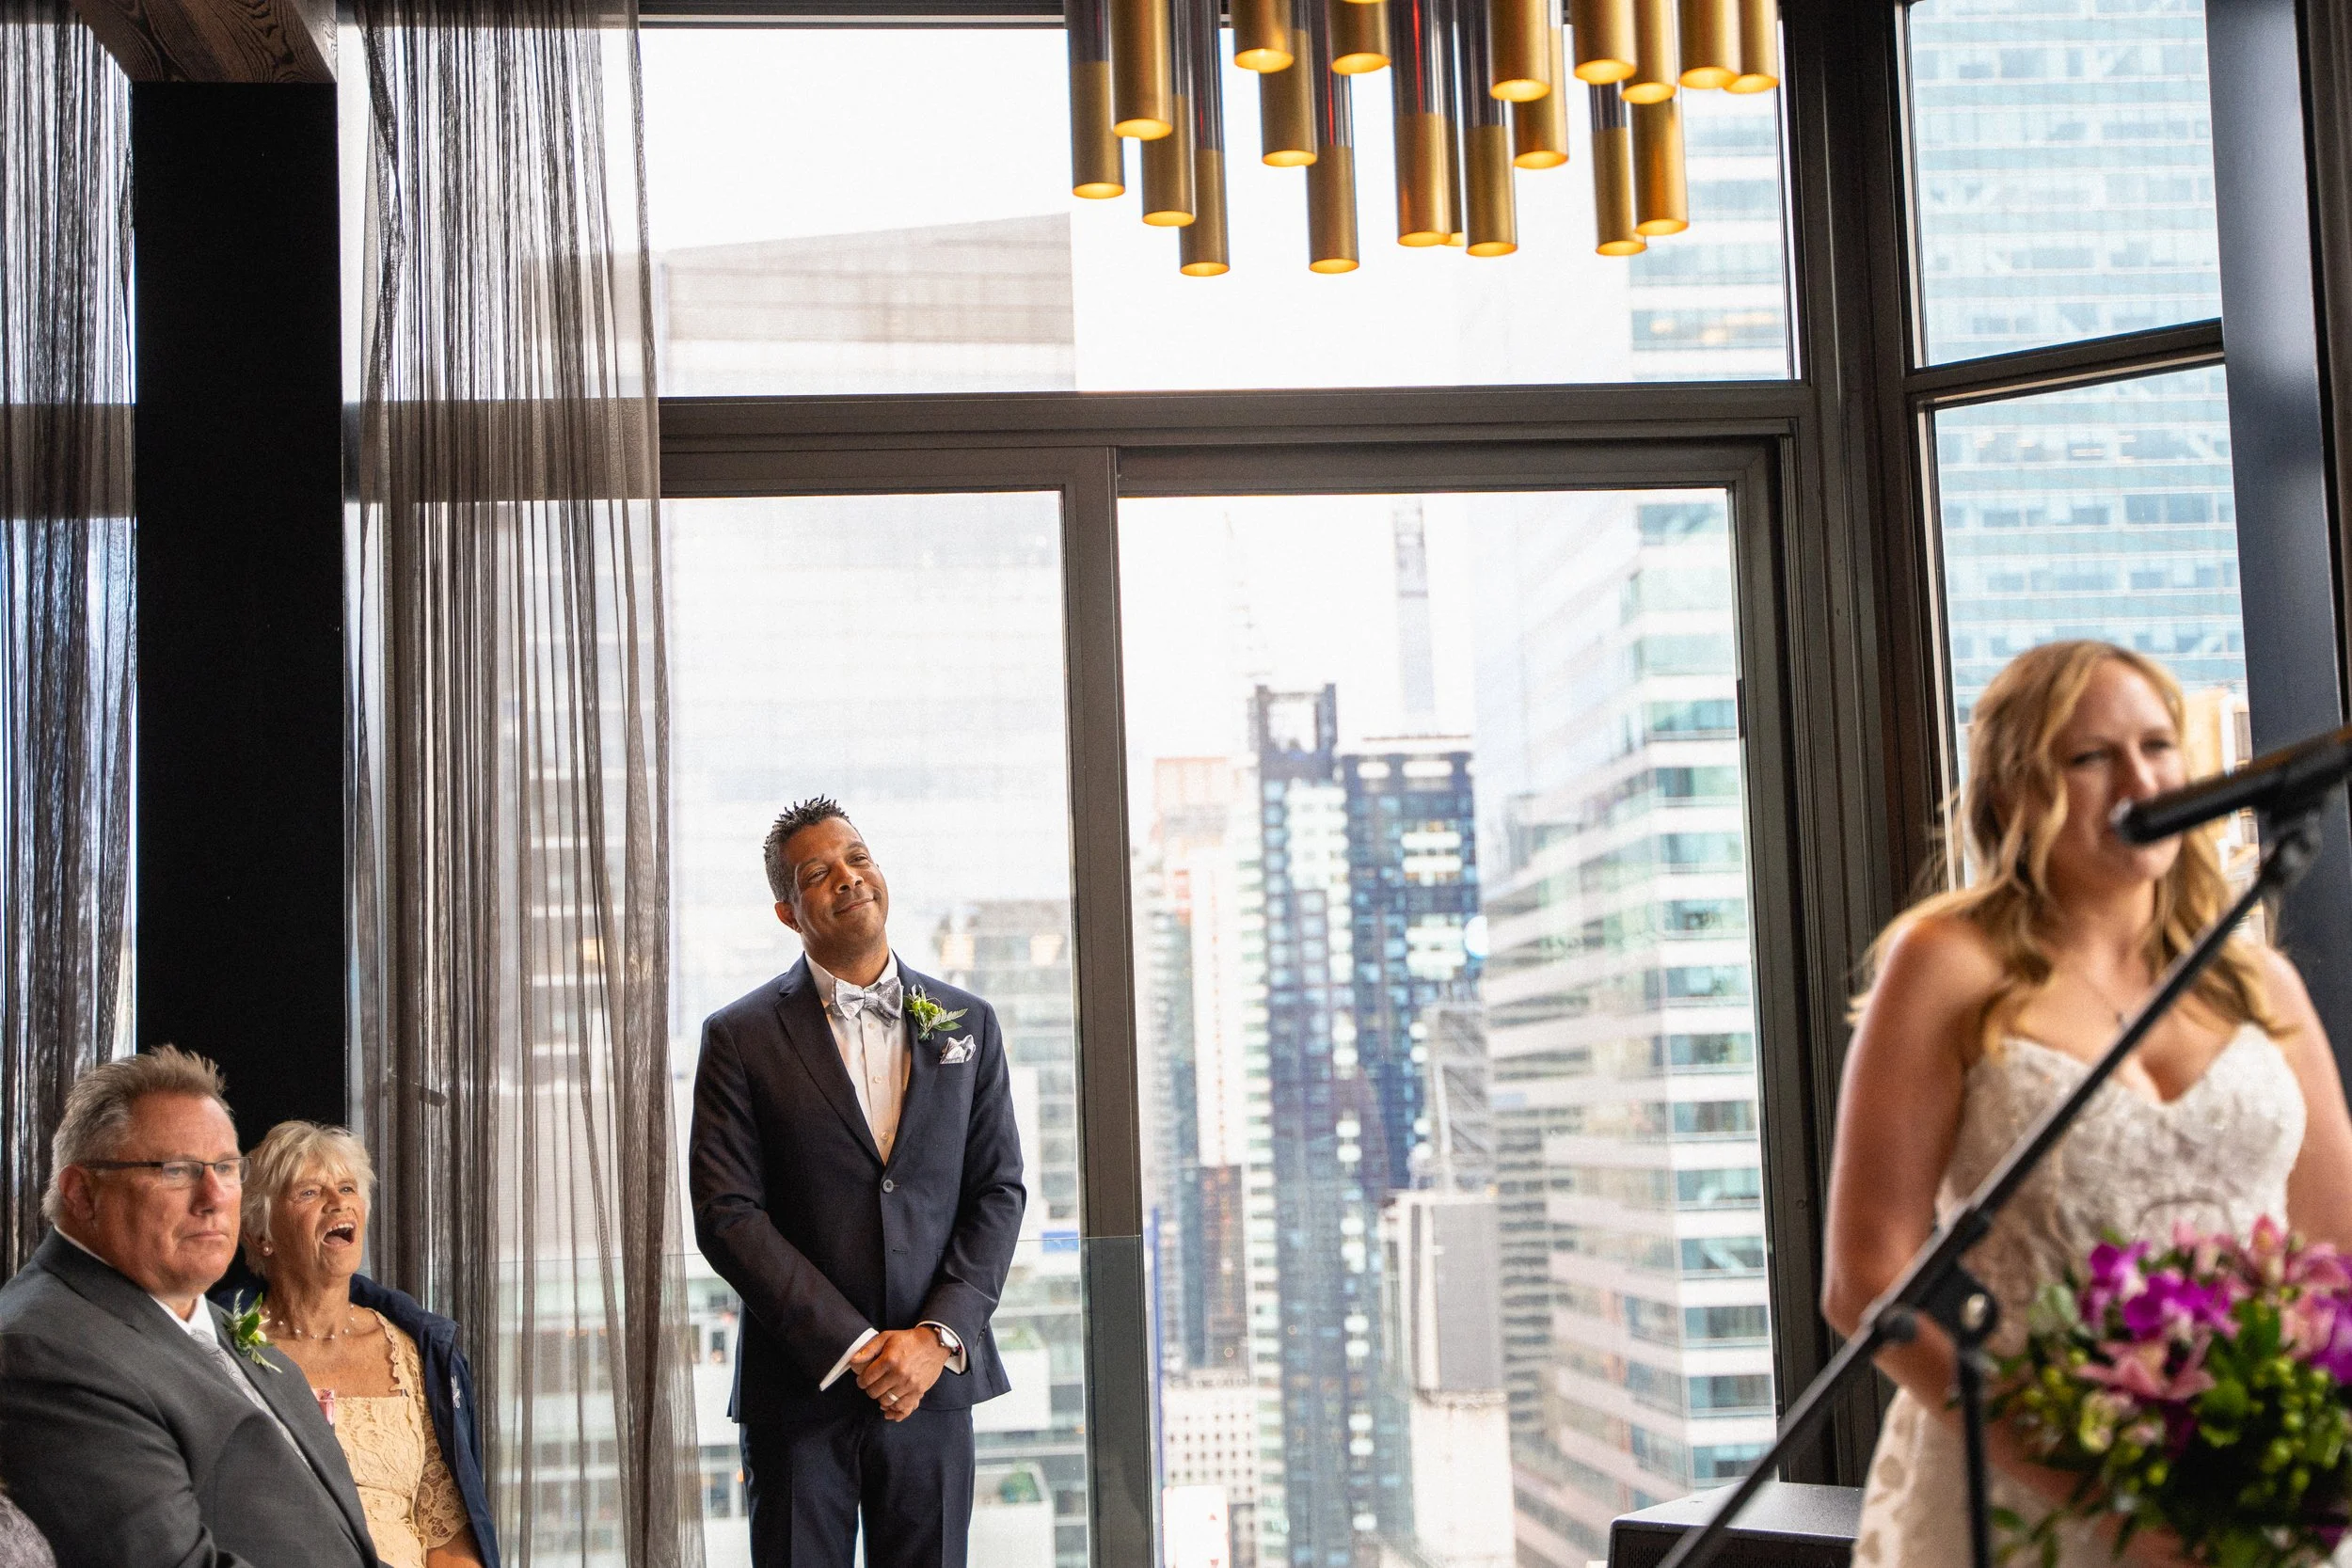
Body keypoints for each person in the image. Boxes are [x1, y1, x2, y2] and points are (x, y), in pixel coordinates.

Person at [1824, 641, 2352, 1568]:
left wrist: (2306, 1466)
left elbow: (2337, 1253)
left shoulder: (2257, 980)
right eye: (2089, 755)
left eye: (2157, 745)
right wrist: (2110, 1498)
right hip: (2016, 1494)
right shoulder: (1945, 962)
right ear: (2011, 789)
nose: (2137, 779)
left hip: (2242, 1495)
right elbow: (1868, 1277)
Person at [691, 797, 1025, 1568]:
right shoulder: (738, 1038)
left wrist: (935, 1338)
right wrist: (856, 1345)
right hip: (800, 1392)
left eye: (858, 857)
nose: (848, 877)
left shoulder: (966, 1021)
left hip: (933, 1385)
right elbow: (727, 1213)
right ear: (787, 909)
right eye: (819, 872)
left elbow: (998, 1191)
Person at [0, 1047, 377, 1568]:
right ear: (83, 1193)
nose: (214, 1195)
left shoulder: (210, 1318)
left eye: (225, 1167)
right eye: (176, 1170)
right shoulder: (44, 1349)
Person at [235, 1121, 497, 1568]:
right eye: (309, 1193)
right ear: (262, 1235)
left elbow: (448, 1537)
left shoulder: (417, 1355)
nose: (338, 1203)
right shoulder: (226, 1354)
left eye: (347, 1188)